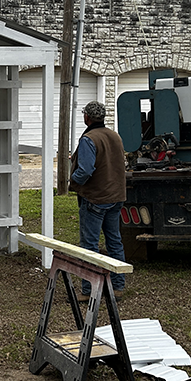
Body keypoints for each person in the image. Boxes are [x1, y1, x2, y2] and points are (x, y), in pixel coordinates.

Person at [69, 100, 127, 297]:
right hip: (116, 196)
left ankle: (89, 290)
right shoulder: (115, 136)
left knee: (89, 245)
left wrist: (73, 180)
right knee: (114, 241)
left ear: (87, 117)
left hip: (95, 198)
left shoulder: (88, 139)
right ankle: (118, 287)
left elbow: (85, 170)